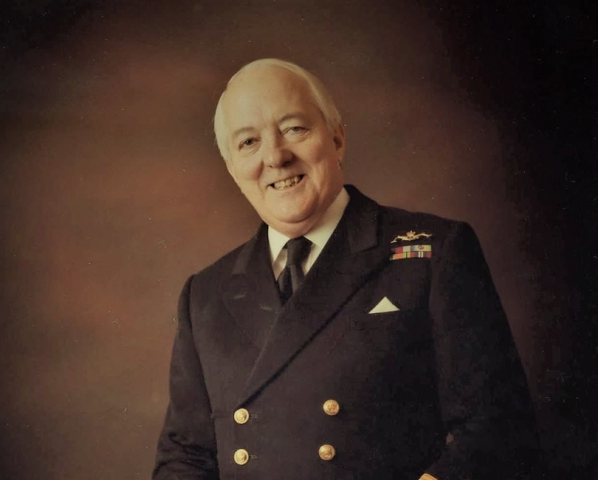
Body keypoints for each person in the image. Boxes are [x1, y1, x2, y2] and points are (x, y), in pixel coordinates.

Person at [152, 58, 538, 480]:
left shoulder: (434, 252)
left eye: (294, 128)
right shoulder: (206, 295)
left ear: (336, 139)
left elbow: (497, 430)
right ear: (232, 169)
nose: (276, 156)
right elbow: (185, 459)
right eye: (248, 143)